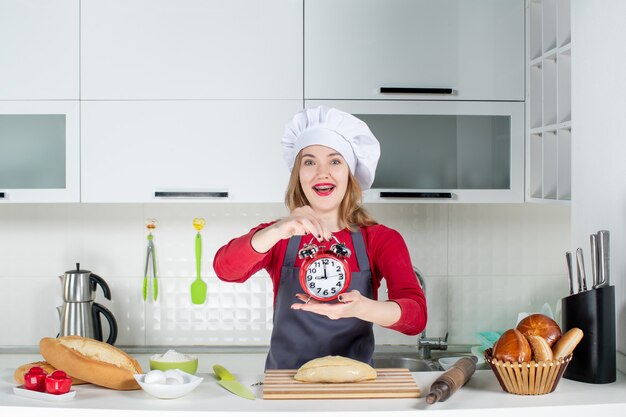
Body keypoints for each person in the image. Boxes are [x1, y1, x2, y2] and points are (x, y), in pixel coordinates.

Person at [213, 106, 427, 370]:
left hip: (353, 386)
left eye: (335, 161)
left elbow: (415, 317)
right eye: (310, 161)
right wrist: (279, 229)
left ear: (350, 174)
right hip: (285, 385)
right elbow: (225, 270)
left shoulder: (381, 240)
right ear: (298, 175)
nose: (321, 172)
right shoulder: (278, 234)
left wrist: (361, 308)